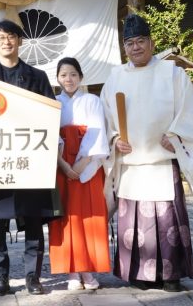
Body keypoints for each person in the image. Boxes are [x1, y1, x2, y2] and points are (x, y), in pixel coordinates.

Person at [100, 14, 193, 293]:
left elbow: (190, 114)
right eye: (130, 42)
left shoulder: (173, 74)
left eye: (141, 41)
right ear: (124, 47)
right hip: (131, 164)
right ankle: (137, 273)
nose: (136, 47)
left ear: (152, 43)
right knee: (133, 223)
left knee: (167, 222)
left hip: (163, 161)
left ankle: (171, 274)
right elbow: (105, 120)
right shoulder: (115, 78)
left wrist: (175, 135)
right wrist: (114, 140)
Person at [0, 19, 61, 296]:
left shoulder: (38, 77)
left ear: (20, 41)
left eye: (12, 37)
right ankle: (1, 277)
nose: (6, 41)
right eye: (1, 37)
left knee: (33, 219)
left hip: (29, 161)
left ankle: (33, 276)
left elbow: (50, 115)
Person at [48, 57, 111, 291]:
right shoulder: (53, 102)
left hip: (87, 165)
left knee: (89, 218)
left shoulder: (92, 101)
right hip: (62, 165)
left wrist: (82, 164)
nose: (69, 79)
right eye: (63, 75)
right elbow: (51, 136)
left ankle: (87, 270)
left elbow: (97, 134)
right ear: (57, 78)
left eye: (73, 74)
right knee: (66, 220)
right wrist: (64, 166)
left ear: (81, 77)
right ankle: (72, 272)